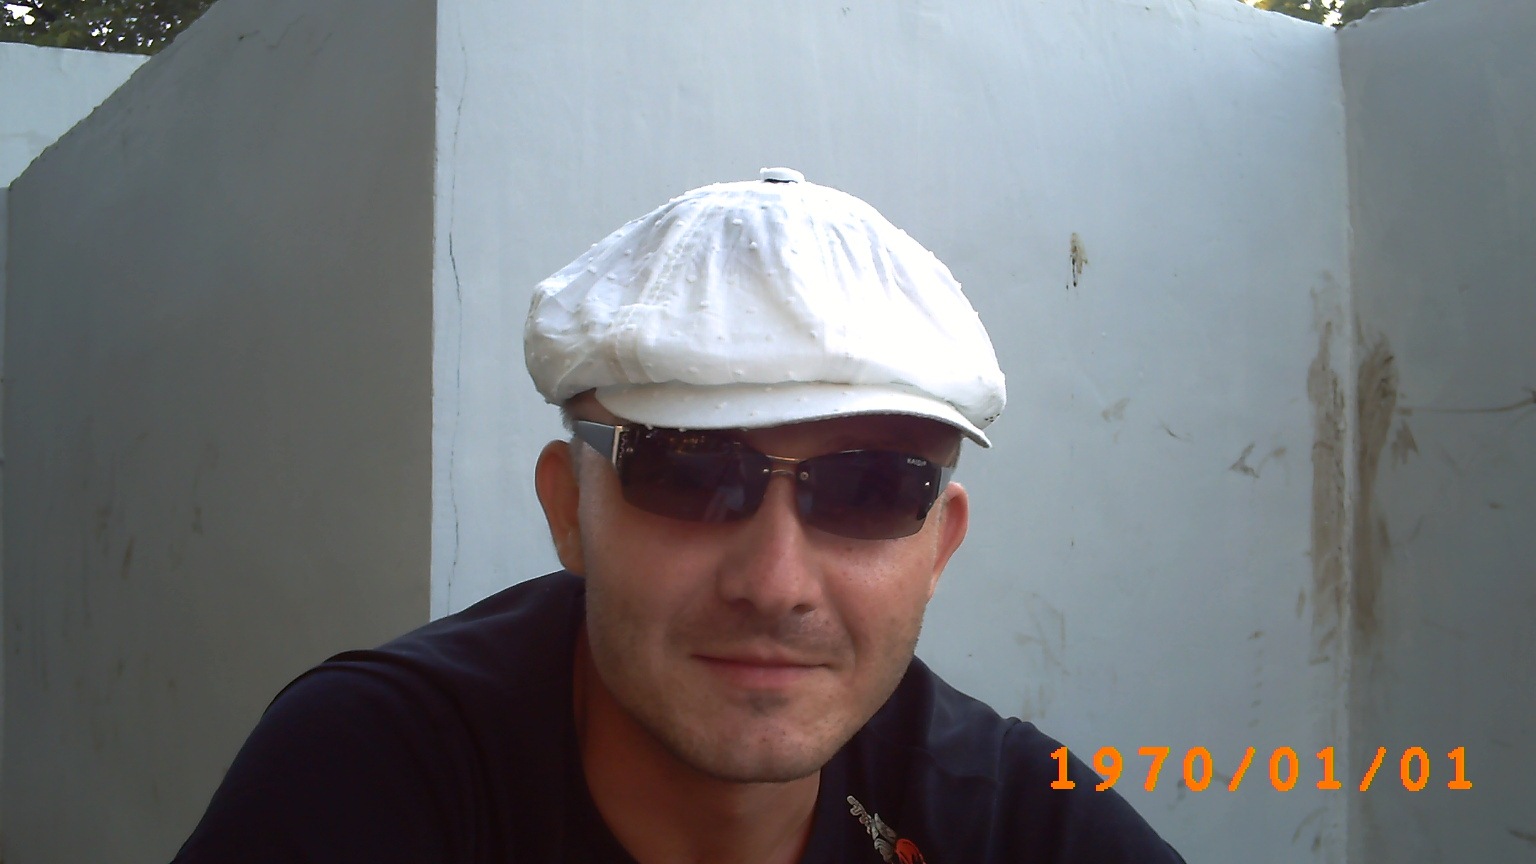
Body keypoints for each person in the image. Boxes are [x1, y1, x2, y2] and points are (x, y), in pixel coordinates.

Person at [174, 168, 1185, 863]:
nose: (775, 583)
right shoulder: (377, 773)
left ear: (939, 546)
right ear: (569, 510)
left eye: (871, 488)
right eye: (691, 474)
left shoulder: (1008, 814)